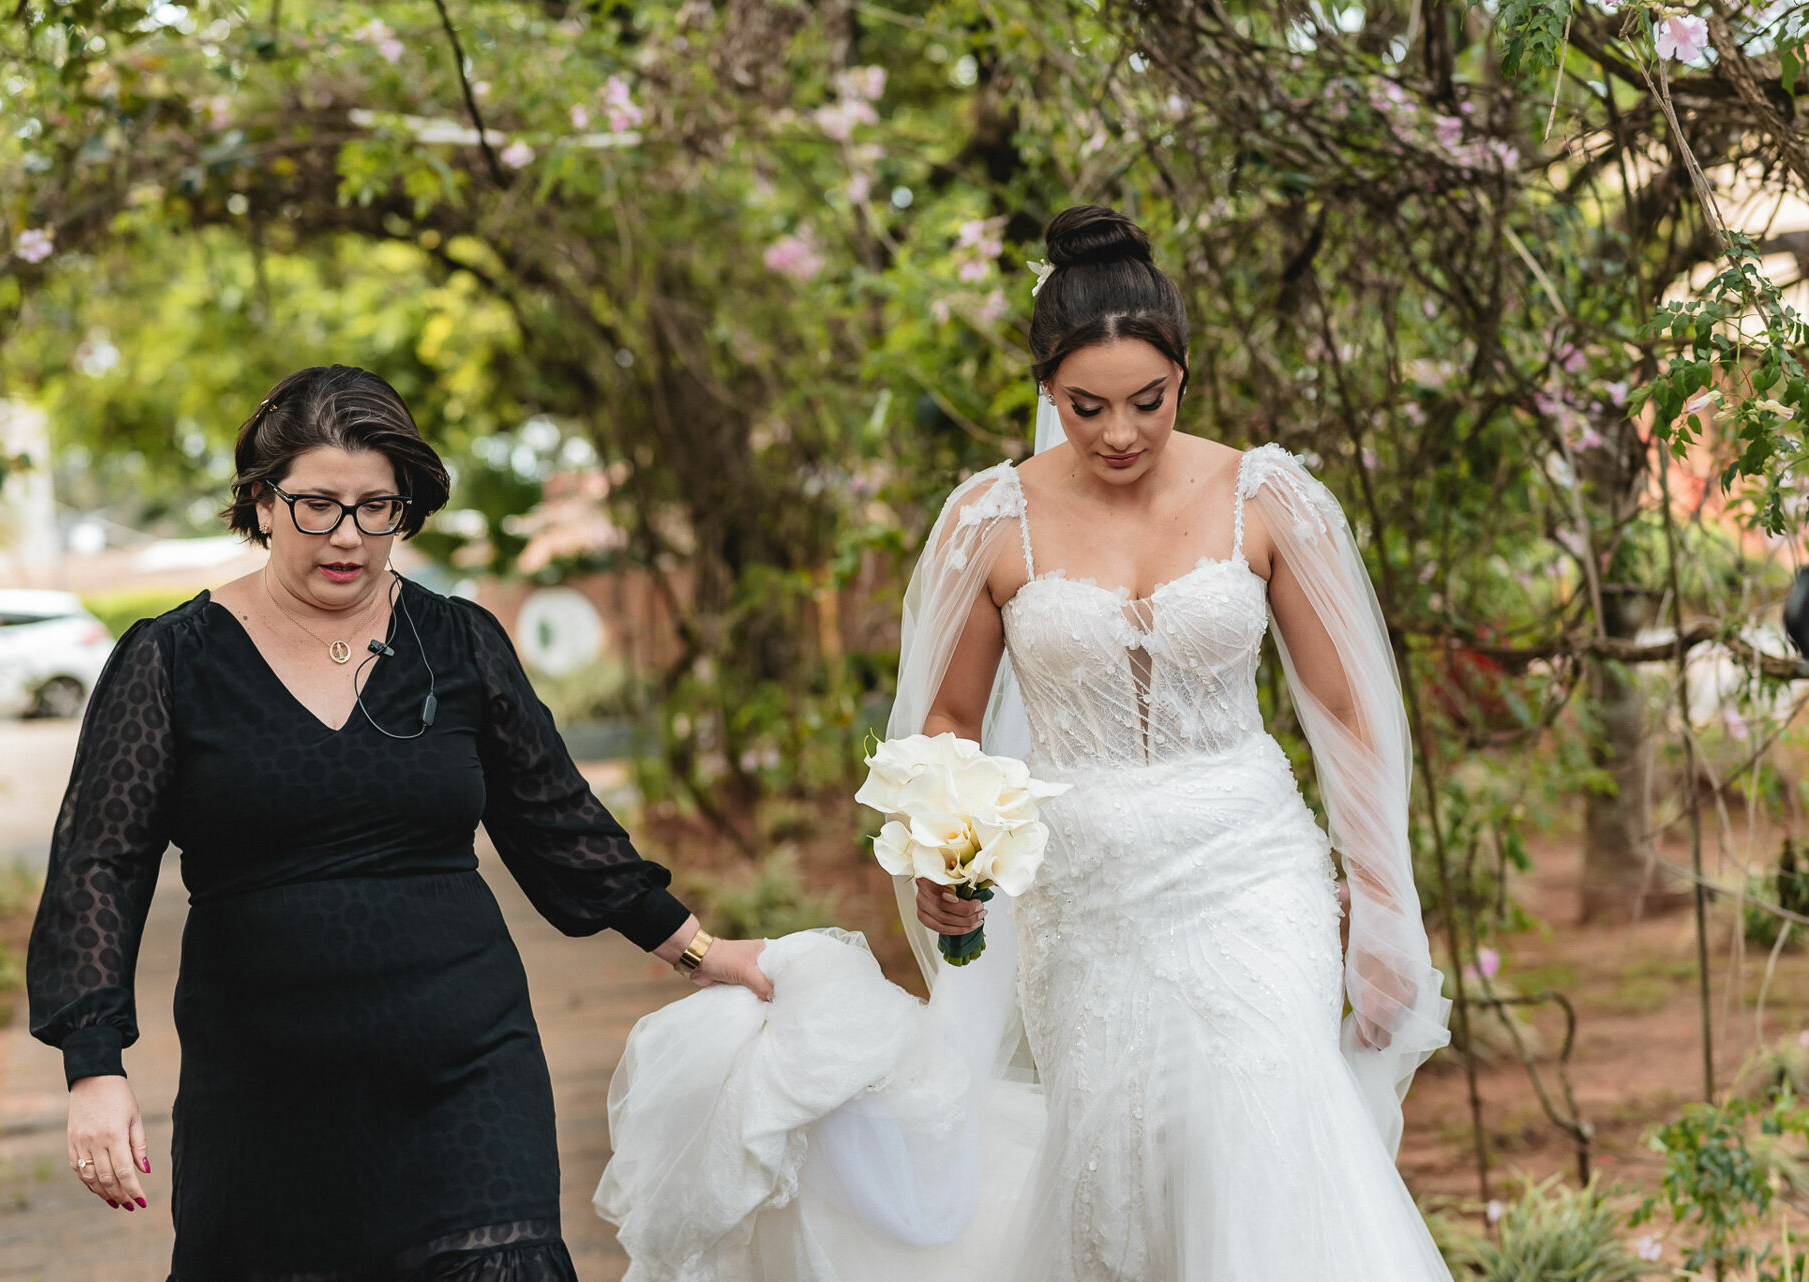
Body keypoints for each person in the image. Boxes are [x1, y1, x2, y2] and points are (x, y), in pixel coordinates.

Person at [595, 206, 1454, 1281]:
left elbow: (1349, 715)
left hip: (1251, 872)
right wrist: (951, 865)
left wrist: (1381, 907)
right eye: (1087, 406)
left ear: (1185, 372)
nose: (1121, 433)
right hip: (1083, 901)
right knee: (1124, 1162)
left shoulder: (1266, 496)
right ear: (1048, 388)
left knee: (1258, 1120)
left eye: (1150, 399)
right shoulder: (990, 520)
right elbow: (948, 723)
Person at [26, 364, 771, 1281]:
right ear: (261, 503)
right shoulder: (170, 662)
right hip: (265, 1085)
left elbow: (560, 823)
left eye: (377, 507)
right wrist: (94, 1066)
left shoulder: (459, 640)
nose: (349, 536)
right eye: (317, 506)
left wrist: (702, 952)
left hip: (465, 1065)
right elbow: (97, 867)